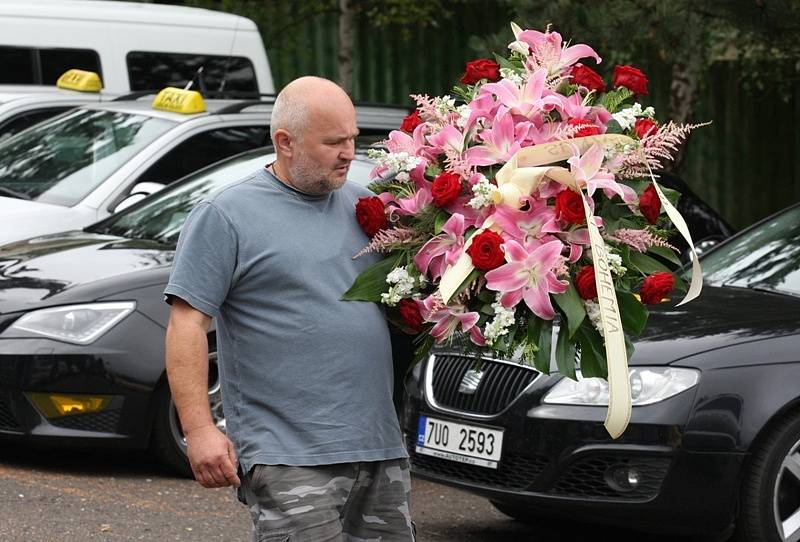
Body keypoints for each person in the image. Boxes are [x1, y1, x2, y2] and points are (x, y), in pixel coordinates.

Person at [164, 76, 414, 541]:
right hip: (289, 455)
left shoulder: (364, 208)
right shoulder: (226, 214)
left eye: (354, 139)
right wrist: (198, 429)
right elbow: (186, 324)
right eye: (333, 142)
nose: (348, 153)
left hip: (377, 445)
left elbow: (398, 308)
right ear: (285, 142)